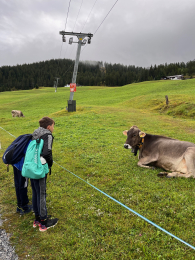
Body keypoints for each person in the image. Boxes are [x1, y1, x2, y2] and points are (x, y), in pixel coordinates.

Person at [30, 117, 58, 232]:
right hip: (40, 168)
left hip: (31, 166)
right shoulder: (48, 135)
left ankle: (36, 218)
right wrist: (50, 164)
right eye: (53, 126)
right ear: (48, 127)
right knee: (42, 193)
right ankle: (43, 221)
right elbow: (47, 152)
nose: (53, 128)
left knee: (35, 191)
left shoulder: (35, 132)